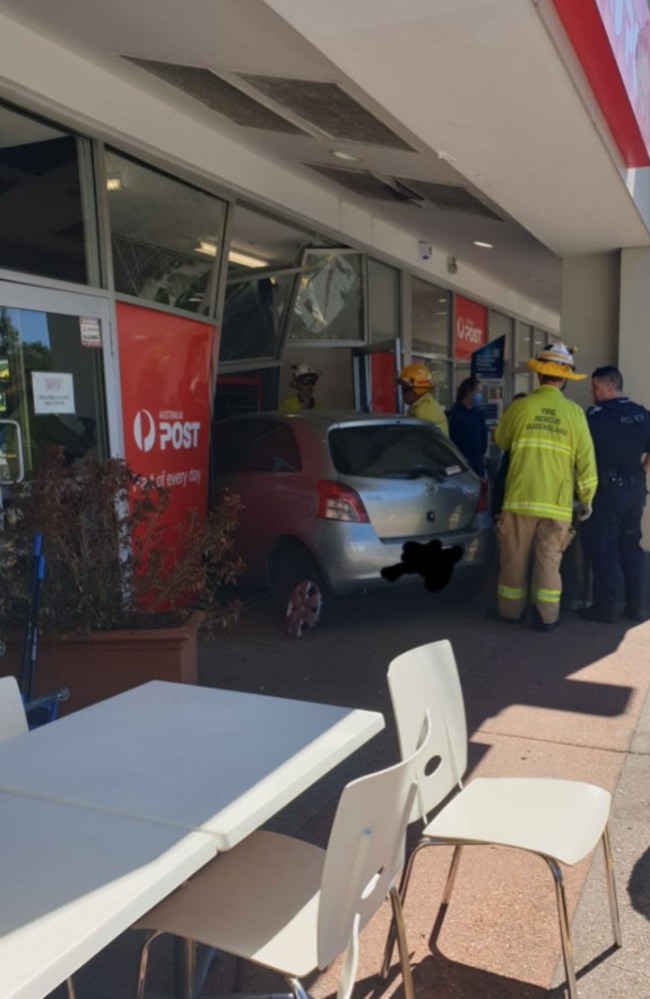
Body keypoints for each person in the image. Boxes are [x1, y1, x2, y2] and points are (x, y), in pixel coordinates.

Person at [490, 343, 597, 632]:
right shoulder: (574, 414)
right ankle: (546, 617)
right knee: (549, 561)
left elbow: (499, 440)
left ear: (538, 375)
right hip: (556, 503)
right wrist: (586, 499)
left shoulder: (520, 407)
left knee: (513, 559)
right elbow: (586, 461)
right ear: (564, 379)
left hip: (519, 498)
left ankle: (510, 612)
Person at [578, 365, 650, 623]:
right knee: (631, 546)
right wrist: (642, 470)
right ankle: (638, 607)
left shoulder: (596, 416)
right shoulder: (642, 414)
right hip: (635, 489)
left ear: (609, 386)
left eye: (595, 387)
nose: (592, 392)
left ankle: (605, 609)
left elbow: (582, 452)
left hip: (607, 491)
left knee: (604, 548)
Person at [447, 376, 488, 476]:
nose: (480, 395)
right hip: (460, 460)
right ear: (469, 391)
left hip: (477, 461)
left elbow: (483, 435)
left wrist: (483, 454)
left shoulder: (478, 413)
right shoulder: (454, 414)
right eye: (478, 392)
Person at [398, 363, 448, 434]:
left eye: (404, 388)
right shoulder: (425, 406)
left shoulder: (422, 413)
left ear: (416, 390)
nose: (401, 393)